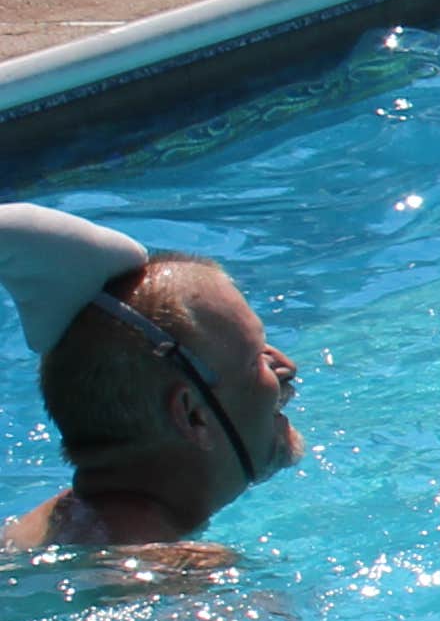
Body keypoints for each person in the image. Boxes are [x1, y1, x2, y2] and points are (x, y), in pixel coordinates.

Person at [1, 205, 301, 557]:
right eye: (255, 360)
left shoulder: (25, 537)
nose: (286, 366)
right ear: (193, 416)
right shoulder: (179, 574)